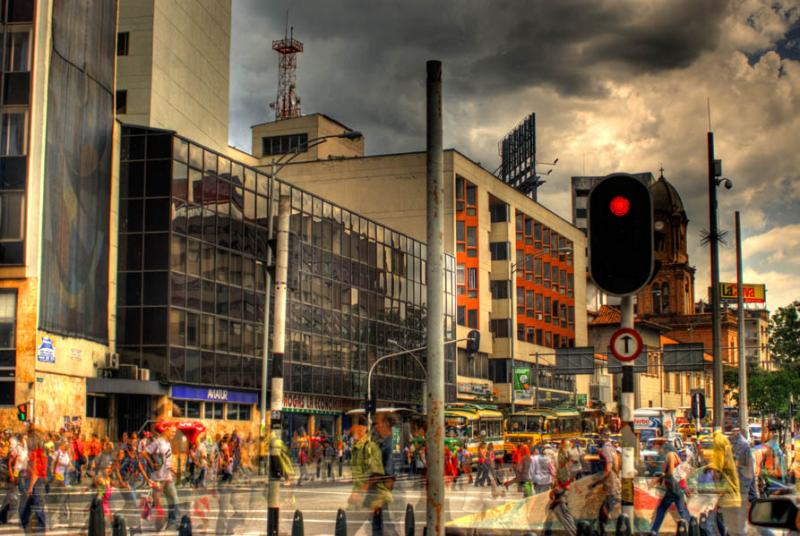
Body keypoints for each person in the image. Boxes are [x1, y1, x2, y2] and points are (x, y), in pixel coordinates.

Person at [704, 430, 742, 536]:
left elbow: (717, 473)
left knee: (712, 526)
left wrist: (715, 497)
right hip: (733, 499)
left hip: (726, 501)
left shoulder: (720, 467)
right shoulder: (729, 462)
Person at [142, 423, 179, 529]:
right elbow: (144, 453)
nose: (174, 434)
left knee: (174, 499)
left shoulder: (168, 443)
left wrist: (174, 470)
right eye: (172, 432)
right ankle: (160, 521)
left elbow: (166, 461)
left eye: (175, 432)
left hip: (167, 477)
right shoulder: (158, 442)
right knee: (157, 503)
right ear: (166, 430)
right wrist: (151, 463)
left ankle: (172, 521)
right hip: (158, 478)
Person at [650, 440, 691, 534]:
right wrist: (685, 488)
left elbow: (671, 472)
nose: (657, 450)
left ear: (662, 447)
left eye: (656, 447)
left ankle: (654, 531)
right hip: (676, 488)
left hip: (673, 488)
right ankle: (693, 528)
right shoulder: (673, 455)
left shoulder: (670, 455)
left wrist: (660, 478)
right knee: (681, 511)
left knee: (664, 509)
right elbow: (679, 475)